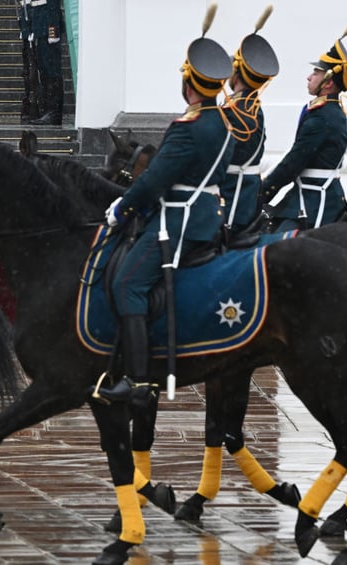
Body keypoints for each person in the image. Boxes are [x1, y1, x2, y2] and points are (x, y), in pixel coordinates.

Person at [96, 24, 235, 403]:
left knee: (127, 284)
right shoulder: (225, 123)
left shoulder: (186, 128)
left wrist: (122, 208)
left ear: (188, 83)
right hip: (209, 216)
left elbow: (154, 180)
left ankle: (139, 382)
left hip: (179, 220)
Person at [261, 24, 347, 232]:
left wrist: (261, 193)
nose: (309, 77)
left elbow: (293, 163)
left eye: (316, 72)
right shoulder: (329, 111)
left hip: (314, 202)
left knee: (274, 247)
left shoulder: (322, 117)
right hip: (313, 195)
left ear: (328, 83)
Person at [221, 13, 279, 238]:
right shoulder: (253, 107)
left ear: (236, 74)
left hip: (232, 195)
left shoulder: (233, 111)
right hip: (249, 190)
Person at [28, 0, 64, 126]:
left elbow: (53, 4)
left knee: (52, 71)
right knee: (44, 71)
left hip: (47, 28)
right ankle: (48, 110)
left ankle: (54, 112)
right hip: (40, 26)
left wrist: (52, 31)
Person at [17, 0, 40, 124]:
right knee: (27, 69)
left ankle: (34, 103)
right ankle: (29, 100)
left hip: (33, 20)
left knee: (33, 69)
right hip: (26, 19)